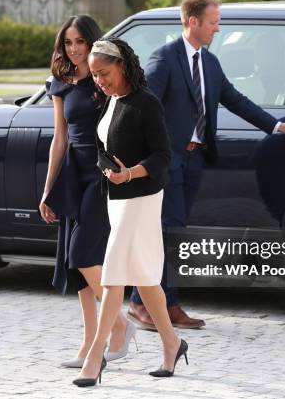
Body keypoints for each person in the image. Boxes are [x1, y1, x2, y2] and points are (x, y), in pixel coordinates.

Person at [127, 0, 285, 330]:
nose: (218, 29)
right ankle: (145, 304)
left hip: (195, 160)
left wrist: (276, 125)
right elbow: (144, 106)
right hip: (168, 161)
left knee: (175, 232)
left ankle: (164, 304)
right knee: (167, 232)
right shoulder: (165, 58)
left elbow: (235, 99)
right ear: (193, 21)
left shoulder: (209, 62)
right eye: (213, 23)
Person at [73, 38, 188, 387]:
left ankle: (96, 357)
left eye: (103, 73)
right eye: (94, 75)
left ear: (121, 65)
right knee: (145, 277)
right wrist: (110, 171)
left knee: (114, 275)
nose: (99, 80)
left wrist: (130, 173)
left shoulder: (146, 103)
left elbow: (163, 157)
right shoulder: (111, 101)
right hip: (117, 199)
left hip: (142, 198)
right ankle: (172, 343)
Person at [39, 15, 136, 369]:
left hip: (102, 173)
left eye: (80, 41)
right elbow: (59, 138)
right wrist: (48, 189)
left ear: (93, 43)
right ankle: (88, 343)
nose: (74, 49)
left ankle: (121, 326)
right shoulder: (60, 83)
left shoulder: (104, 80)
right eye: (68, 43)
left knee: (82, 254)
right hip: (72, 176)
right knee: (76, 265)